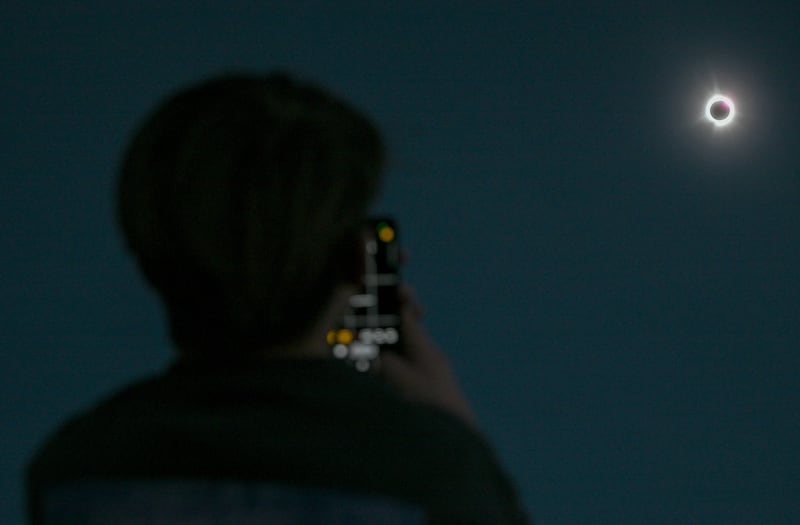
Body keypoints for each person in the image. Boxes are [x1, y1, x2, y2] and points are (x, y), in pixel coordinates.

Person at [26, 72, 530, 524]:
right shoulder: (433, 468)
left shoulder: (74, 465)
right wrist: (458, 437)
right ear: (358, 261)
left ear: (149, 252)